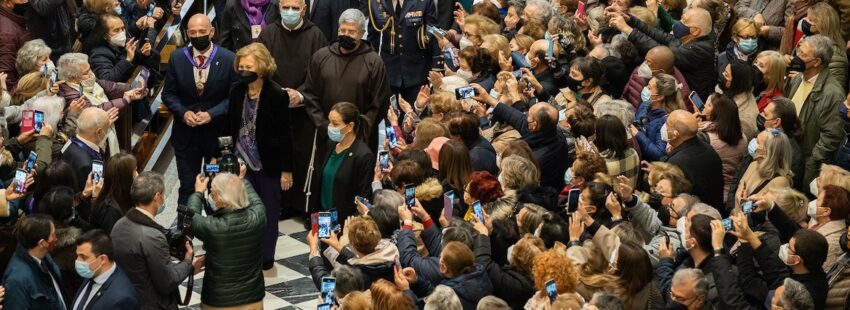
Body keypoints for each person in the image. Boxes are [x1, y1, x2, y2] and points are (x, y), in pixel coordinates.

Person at [226, 42, 294, 270]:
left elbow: (286, 133)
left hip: (268, 164)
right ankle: (245, 255)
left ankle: (266, 258)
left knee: (268, 212)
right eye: (241, 66)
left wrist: (287, 169)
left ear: (262, 67)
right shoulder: (236, 91)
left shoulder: (276, 94)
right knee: (240, 211)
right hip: (240, 162)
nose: (244, 70)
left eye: (249, 66)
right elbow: (230, 125)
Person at [256, 0, 327, 217]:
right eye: (285, 7)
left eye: (295, 8)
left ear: (304, 10)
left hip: (305, 110)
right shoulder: (268, 34)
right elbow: (260, 68)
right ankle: (281, 203)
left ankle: (304, 206)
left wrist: (301, 95)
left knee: (304, 157)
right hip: (275, 108)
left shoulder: (316, 35)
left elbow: (321, 72)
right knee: (278, 155)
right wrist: (278, 94)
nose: (290, 12)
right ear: (278, 8)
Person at [162, 14, 238, 205]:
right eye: (193, 32)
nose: (197, 36)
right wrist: (183, 112)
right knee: (188, 187)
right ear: (187, 33)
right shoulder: (177, 58)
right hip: (186, 137)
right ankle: (184, 232)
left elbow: (234, 98)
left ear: (211, 32)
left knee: (219, 188)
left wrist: (212, 114)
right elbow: (168, 95)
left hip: (217, 138)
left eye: (202, 32)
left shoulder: (229, 58)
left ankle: (217, 231)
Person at [304, 8, 390, 155]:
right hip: (327, 135)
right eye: (342, 30)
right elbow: (310, 95)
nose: (346, 35)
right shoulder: (320, 57)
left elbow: (379, 104)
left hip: (361, 138)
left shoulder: (374, 62)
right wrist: (326, 126)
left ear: (362, 33)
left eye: (352, 32)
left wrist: (357, 130)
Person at [110, 172, 201, 310]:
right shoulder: (153, 237)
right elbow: (167, 282)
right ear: (157, 197)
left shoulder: (119, 225)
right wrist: (188, 262)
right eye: (162, 195)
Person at [188, 173, 266, 308]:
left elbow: (191, 217)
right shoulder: (258, 218)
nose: (210, 197)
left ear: (222, 200)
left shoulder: (212, 226)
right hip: (253, 299)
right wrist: (241, 179)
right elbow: (255, 199)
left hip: (218, 302)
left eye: (212, 193)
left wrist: (198, 193)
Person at [473, 83, 570, 190]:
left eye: (529, 115)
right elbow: (516, 117)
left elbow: (519, 186)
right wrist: (487, 98)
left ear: (534, 125)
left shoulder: (531, 160)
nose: (525, 115)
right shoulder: (550, 131)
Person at [610, 7, 716, 99]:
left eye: (684, 21)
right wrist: (630, 20)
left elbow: (661, 53)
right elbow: (657, 34)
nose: (679, 23)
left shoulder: (700, 51)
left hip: (686, 103)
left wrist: (627, 29)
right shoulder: (686, 39)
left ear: (695, 31)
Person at [784, 35, 845, 187]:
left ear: (817, 62)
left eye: (803, 55)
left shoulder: (832, 94)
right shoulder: (798, 78)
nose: (796, 57)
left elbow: (831, 137)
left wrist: (811, 163)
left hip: (806, 163)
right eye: (798, 51)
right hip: (788, 153)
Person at [365, 0, 437, 103]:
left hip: (417, 72)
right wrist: (370, 69)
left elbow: (433, 32)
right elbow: (373, 37)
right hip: (389, 73)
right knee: (391, 116)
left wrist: (436, 67)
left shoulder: (424, 2)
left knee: (418, 115)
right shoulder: (375, 2)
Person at [317, 102, 375, 226]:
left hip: (345, 220)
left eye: (335, 124)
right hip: (324, 214)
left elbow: (363, 195)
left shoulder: (363, 155)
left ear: (350, 127)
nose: (330, 127)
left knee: (335, 245)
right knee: (324, 244)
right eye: (330, 122)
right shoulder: (331, 145)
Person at [661, 110, 725, 213]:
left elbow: (672, 201)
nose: (664, 127)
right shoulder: (708, 149)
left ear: (675, 134)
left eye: (667, 124)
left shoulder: (676, 163)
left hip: (692, 217)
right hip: (713, 211)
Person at [1, 214, 66, 309]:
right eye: (53, 234)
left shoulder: (44, 257)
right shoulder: (17, 280)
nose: (56, 238)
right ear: (42, 243)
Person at [78, 13, 159, 83]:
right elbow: (107, 80)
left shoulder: (125, 42)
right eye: (116, 30)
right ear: (105, 35)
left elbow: (153, 62)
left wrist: (147, 54)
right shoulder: (98, 54)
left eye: (123, 29)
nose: (121, 33)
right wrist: (127, 60)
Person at [71, 229, 140, 310]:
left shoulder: (122, 299)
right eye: (78, 255)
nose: (78, 261)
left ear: (102, 259)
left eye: (83, 257)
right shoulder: (91, 272)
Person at [697, 94, 747, 197]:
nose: (705, 107)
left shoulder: (707, 139)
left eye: (709, 105)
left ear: (718, 113)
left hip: (712, 190)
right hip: (731, 190)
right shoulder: (743, 137)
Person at [621, 46, 692, 109]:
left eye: (649, 63)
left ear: (661, 72)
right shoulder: (639, 71)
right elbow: (624, 94)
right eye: (645, 59)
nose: (644, 65)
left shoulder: (679, 93)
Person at [630, 73, 681, 161]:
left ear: (660, 97)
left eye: (649, 88)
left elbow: (659, 154)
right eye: (647, 85)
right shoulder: (646, 104)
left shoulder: (667, 120)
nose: (645, 89)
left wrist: (638, 134)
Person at [61, 108, 111, 193]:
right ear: (98, 132)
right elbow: (90, 195)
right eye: (107, 128)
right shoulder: (87, 165)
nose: (107, 131)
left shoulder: (70, 142)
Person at [90, 153, 137, 233]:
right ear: (126, 177)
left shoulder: (124, 197)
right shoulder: (110, 212)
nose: (137, 175)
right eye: (135, 171)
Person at [595, 115, 640, 188]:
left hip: (611, 198)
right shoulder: (633, 153)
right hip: (631, 196)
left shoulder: (601, 162)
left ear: (600, 136)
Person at [719, 59, 759, 140]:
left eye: (726, 75)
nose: (723, 76)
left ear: (736, 81)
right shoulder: (731, 90)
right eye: (724, 72)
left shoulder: (745, 119)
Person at [0, 0, 29, 93]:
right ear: (7, 3)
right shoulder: (8, 32)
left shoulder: (13, 21)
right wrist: (14, 98)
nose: (26, 1)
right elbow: (6, 74)